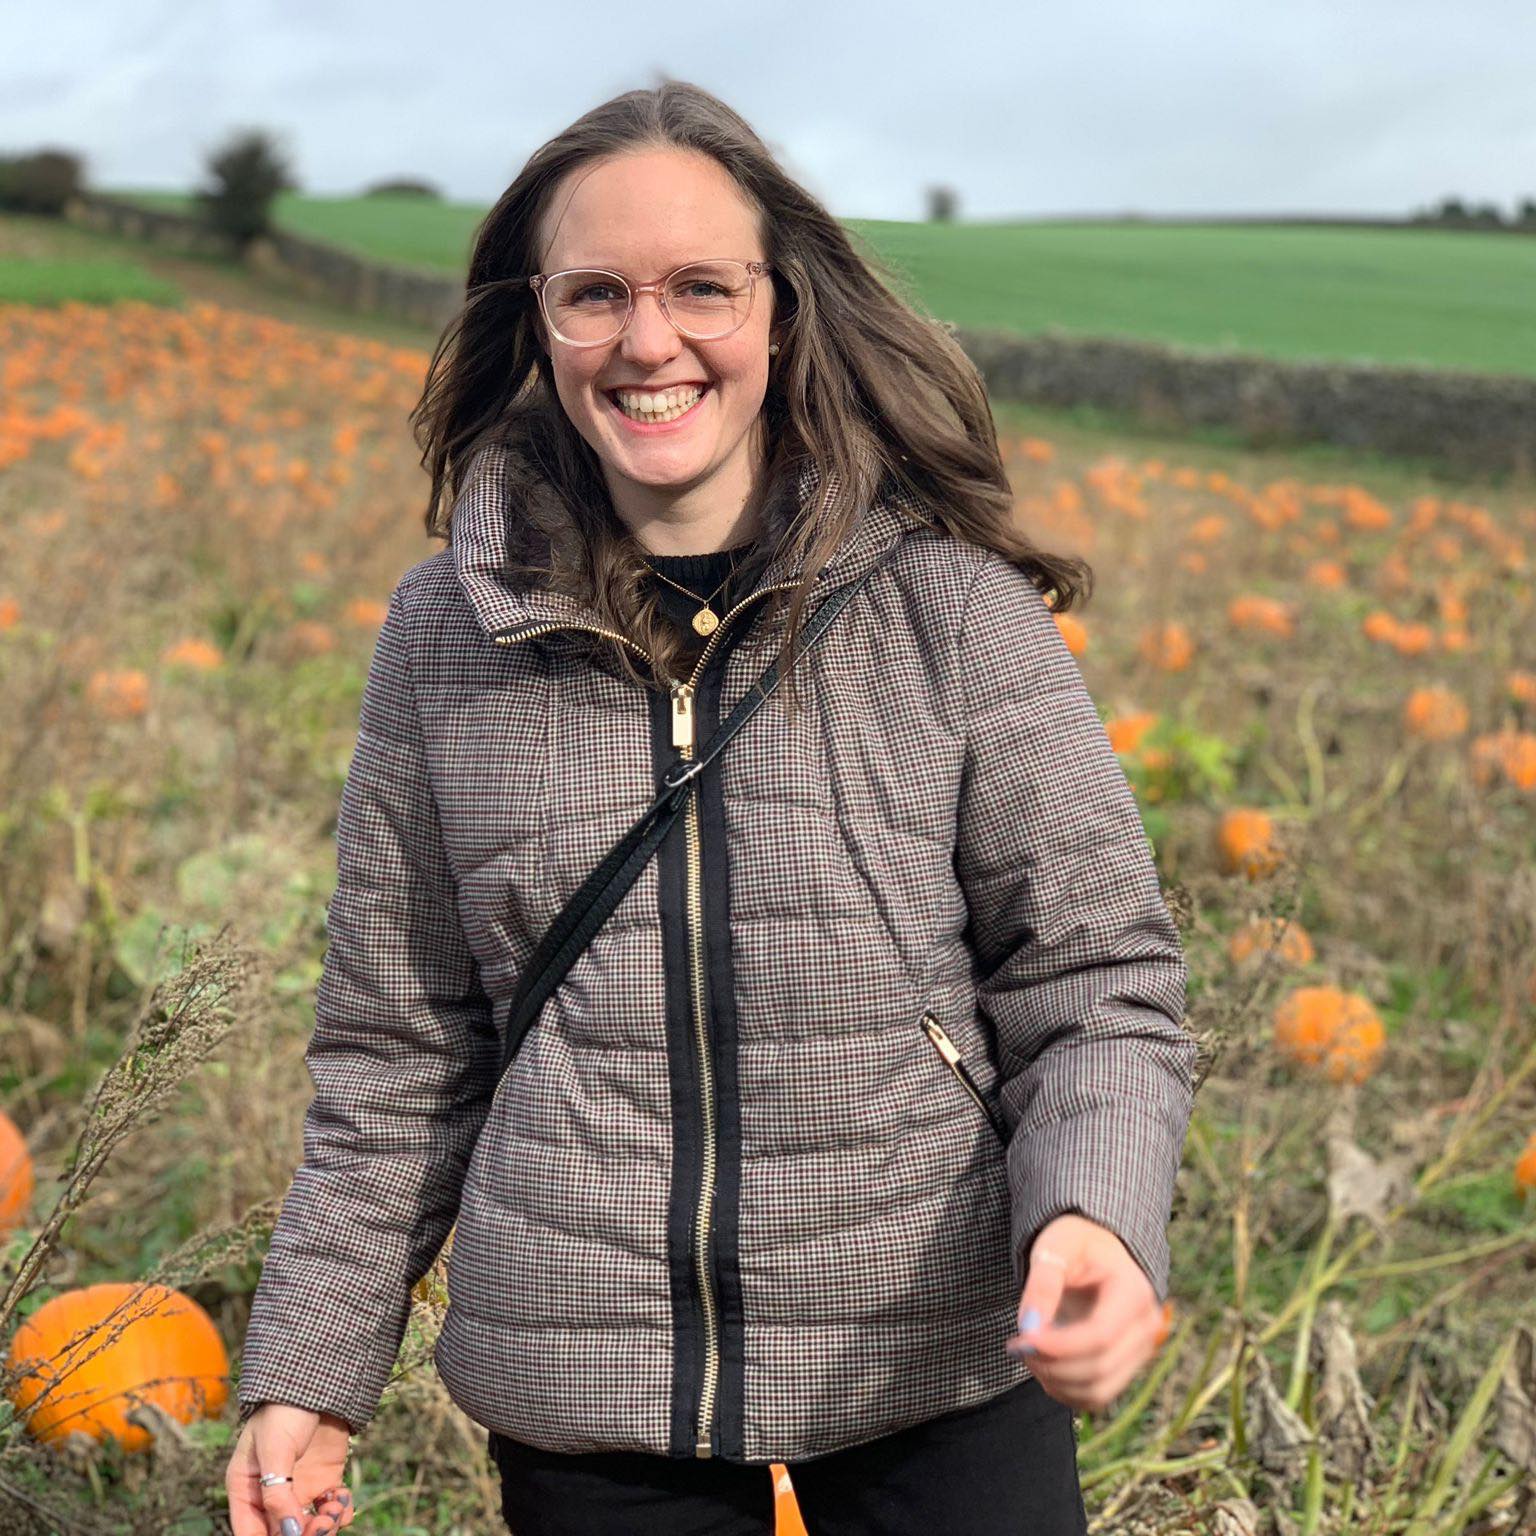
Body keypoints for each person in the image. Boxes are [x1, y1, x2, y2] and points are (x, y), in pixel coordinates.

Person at [225, 78, 1196, 1536]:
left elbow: (1094, 979)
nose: (648, 339)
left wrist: (1092, 1215)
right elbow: (399, 1049)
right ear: (537, 325)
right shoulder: (445, 640)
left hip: (928, 1352)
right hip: (587, 1376)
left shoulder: (949, 611)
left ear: (782, 312)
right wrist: (312, 1372)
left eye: (700, 287)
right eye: (595, 294)